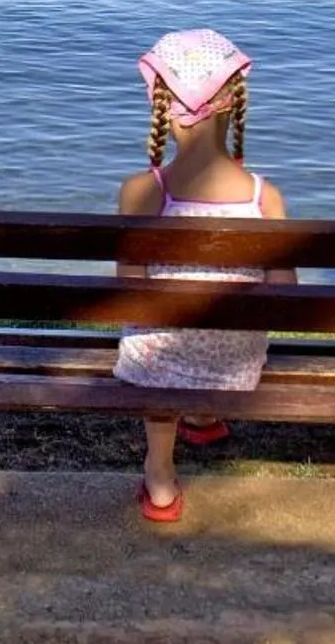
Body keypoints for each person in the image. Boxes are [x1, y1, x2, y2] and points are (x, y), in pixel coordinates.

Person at [111, 28, 292, 523]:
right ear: (234, 104)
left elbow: (131, 288)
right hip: (235, 361)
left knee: (154, 336)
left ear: (163, 109)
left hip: (160, 360)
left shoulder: (142, 193)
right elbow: (286, 291)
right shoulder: (265, 197)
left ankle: (161, 476)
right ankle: (207, 414)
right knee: (209, 328)